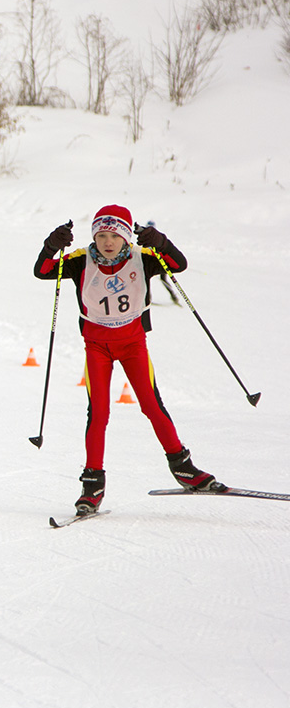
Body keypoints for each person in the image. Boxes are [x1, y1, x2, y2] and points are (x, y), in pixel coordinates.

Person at [35, 205, 224, 516]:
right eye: (102, 235)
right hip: (96, 346)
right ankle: (92, 485)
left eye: (115, 236)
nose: (108, 242)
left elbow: (179, 265)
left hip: (133, 345)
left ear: (126, 237)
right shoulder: (80, 259)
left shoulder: (142, 257)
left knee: (152, 405)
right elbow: (42, 271)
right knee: (99, 413)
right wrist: (51, 245)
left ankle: (184, 469)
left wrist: (160, 242)